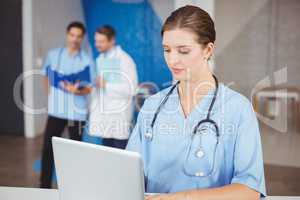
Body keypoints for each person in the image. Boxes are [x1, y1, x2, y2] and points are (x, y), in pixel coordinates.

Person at [126, 5, 266, 199]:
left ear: (208, 50)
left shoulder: (238, 109)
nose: (172, 60)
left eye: (183, 51)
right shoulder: (152, 106)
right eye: (167, 50)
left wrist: (180, 198)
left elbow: (249, 191)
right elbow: (128, 176)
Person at [40, 21, 93, 188]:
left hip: (77, 114)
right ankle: (44, 186)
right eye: (72, 35)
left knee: (75, 152)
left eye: (78, 36)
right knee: (48, 149)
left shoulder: (87, 60)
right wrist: (50, 95)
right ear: (67, 35)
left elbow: (90, 87)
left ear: (82, 38)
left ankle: (74, 186)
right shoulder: (53, 55)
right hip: (56, 111)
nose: (75, 39)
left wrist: (77, 91)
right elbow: (45, 75)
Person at [88, 25, 138, 149]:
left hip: (119, 114)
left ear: (112, 40)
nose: (97, 45)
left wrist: (106, 85)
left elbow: (131, 89)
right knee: (107, 152)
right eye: (96, 41)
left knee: (121, 153)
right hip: (104, 113)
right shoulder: (100, 59)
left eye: (101, 41)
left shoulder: (124, 59)